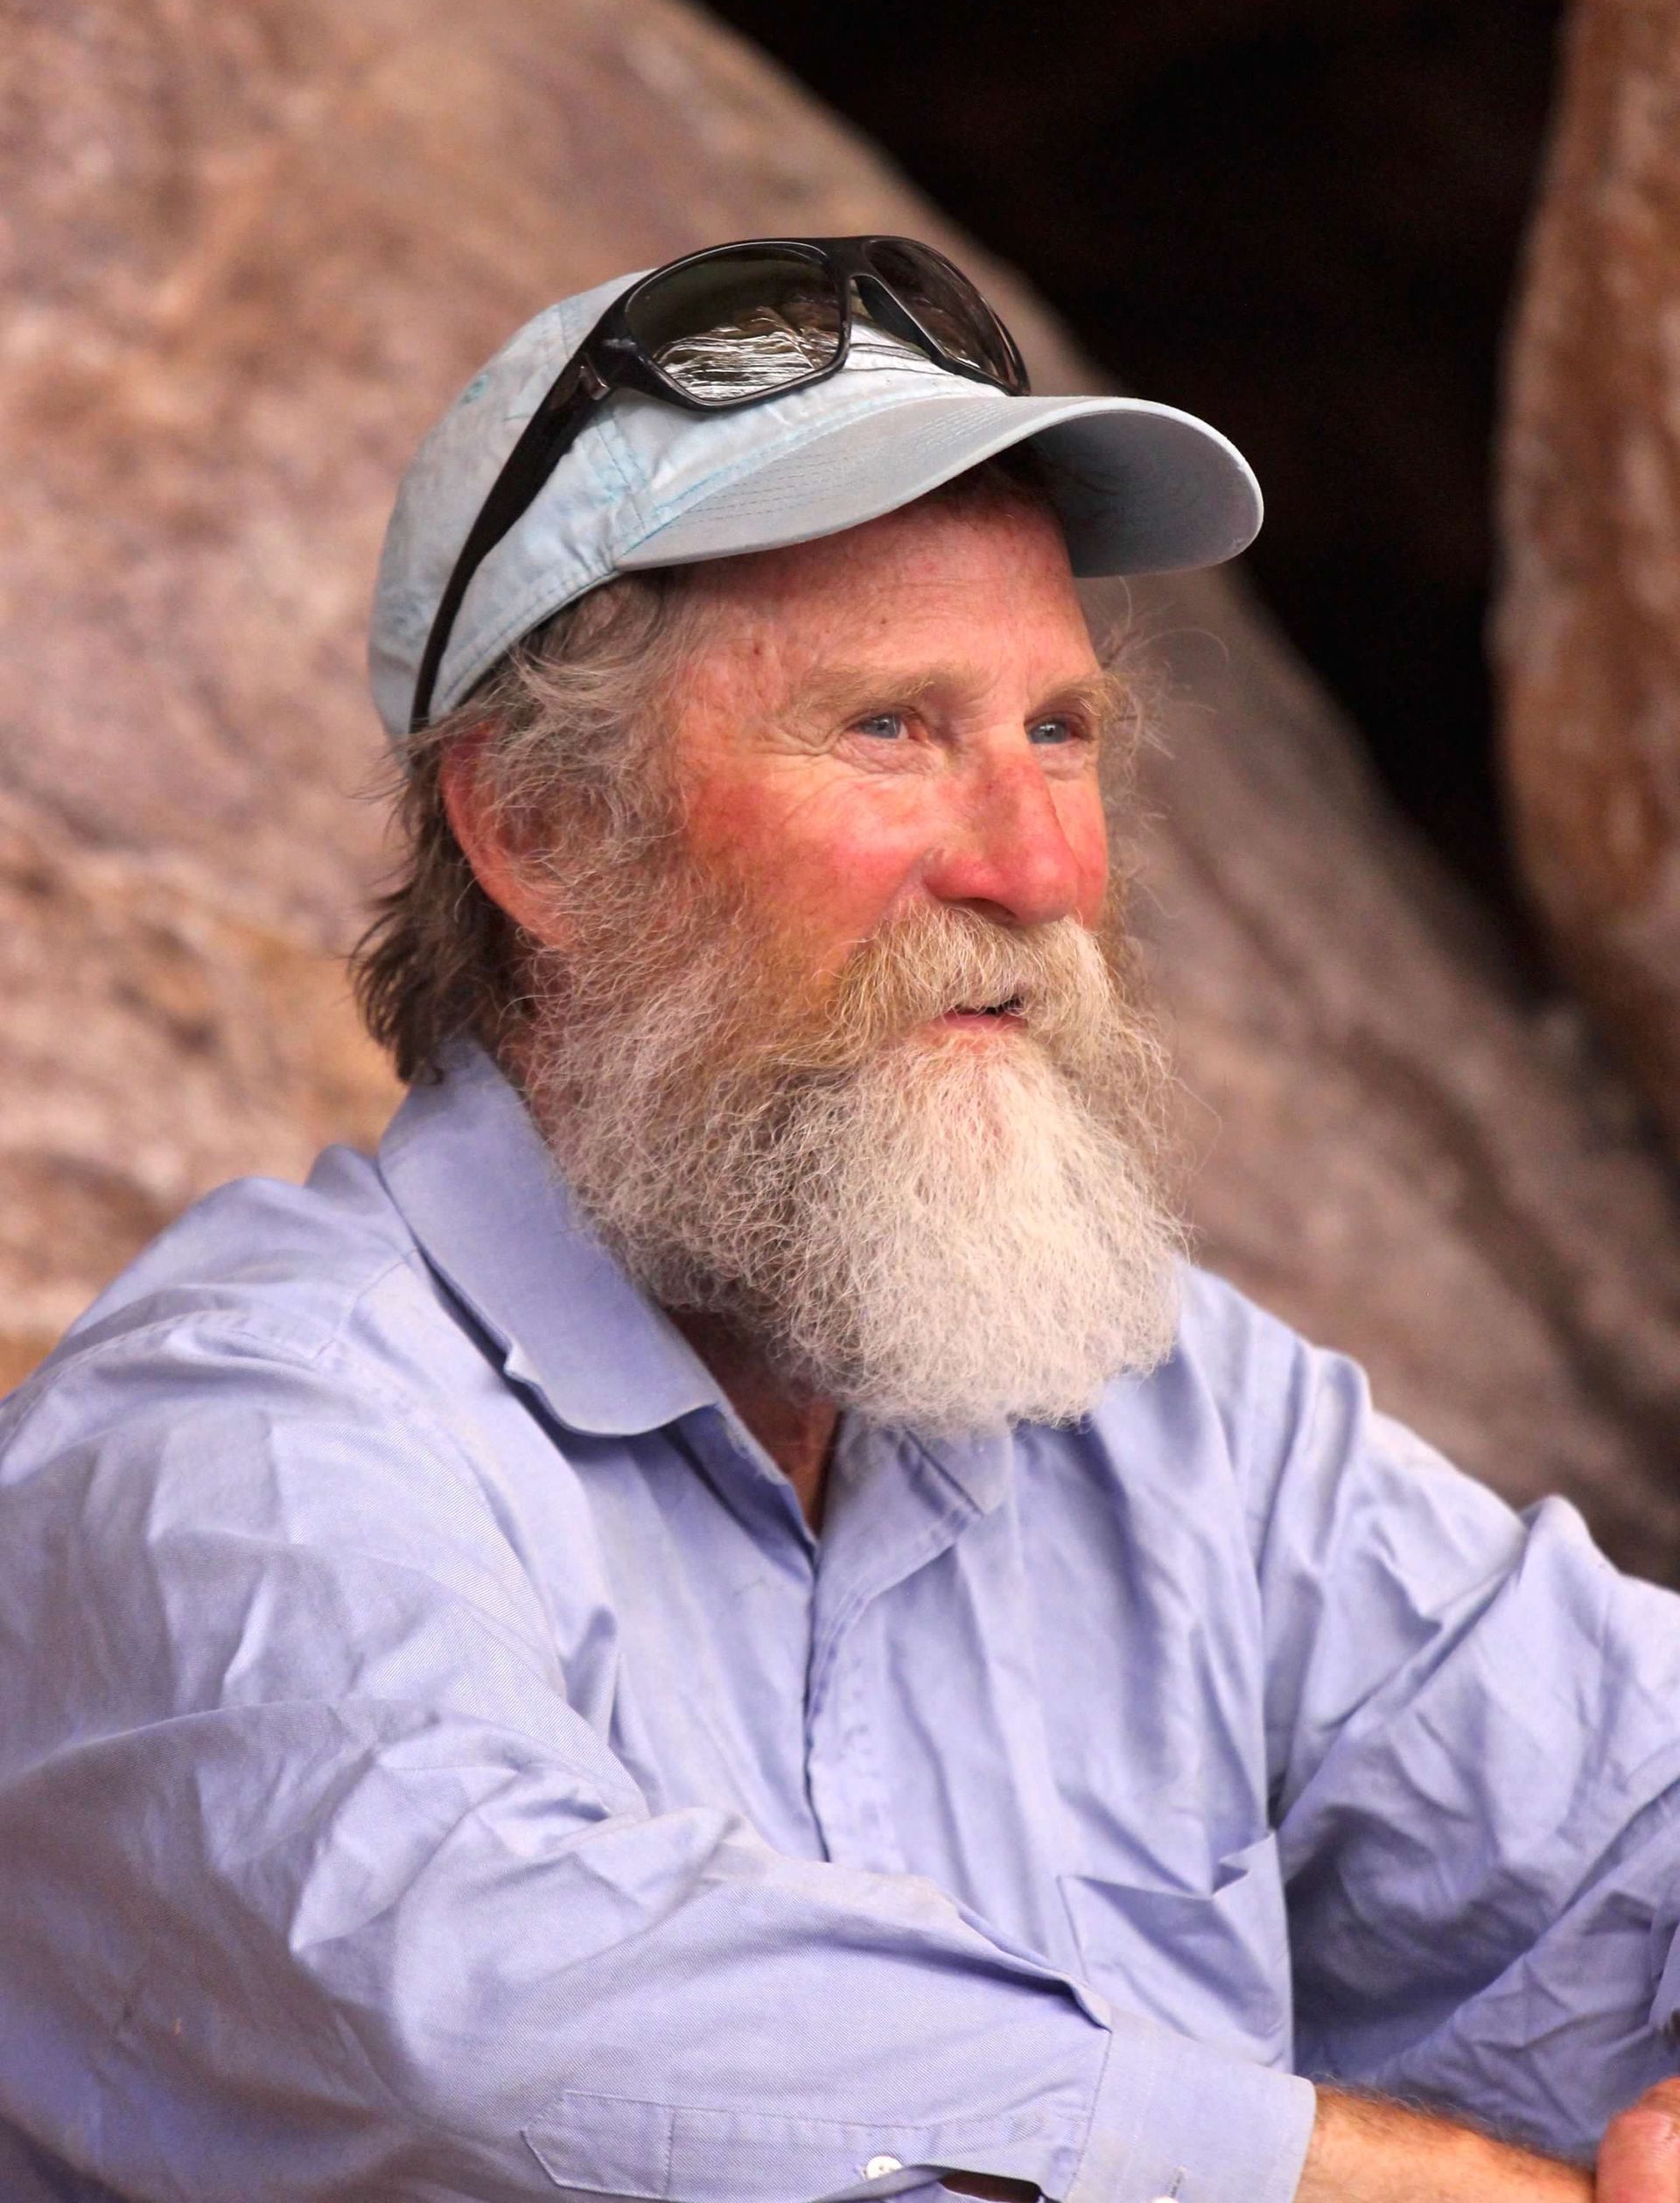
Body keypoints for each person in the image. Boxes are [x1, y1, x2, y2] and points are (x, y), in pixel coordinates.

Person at [3, 234, 1680, 2203]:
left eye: (1060, 730)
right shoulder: (235, 1444)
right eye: (892, 727)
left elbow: (1627, 1800)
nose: (1042, 863)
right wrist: (1341, 2175)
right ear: (536, 830)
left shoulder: (1157, 1409)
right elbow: (499, 2014)